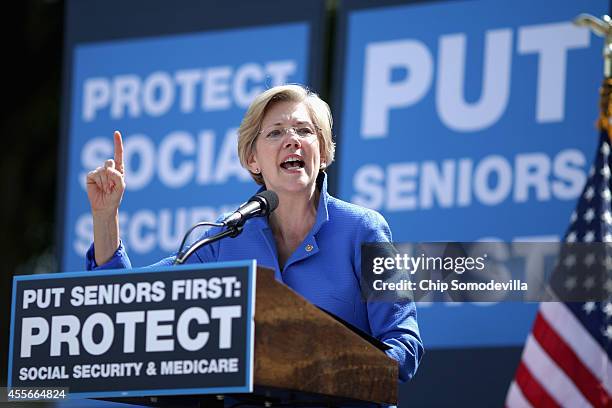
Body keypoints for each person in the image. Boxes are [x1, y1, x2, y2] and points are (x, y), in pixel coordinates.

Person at [85, 84, 423, 383]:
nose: (292, 139)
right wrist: (105, 216)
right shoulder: (221, 239)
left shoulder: (363, 230)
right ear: (252, 159)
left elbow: (403, 345)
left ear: (322, 153)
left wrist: (333, 370)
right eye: (275, 133)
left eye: (304, 131)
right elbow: (125, 302)